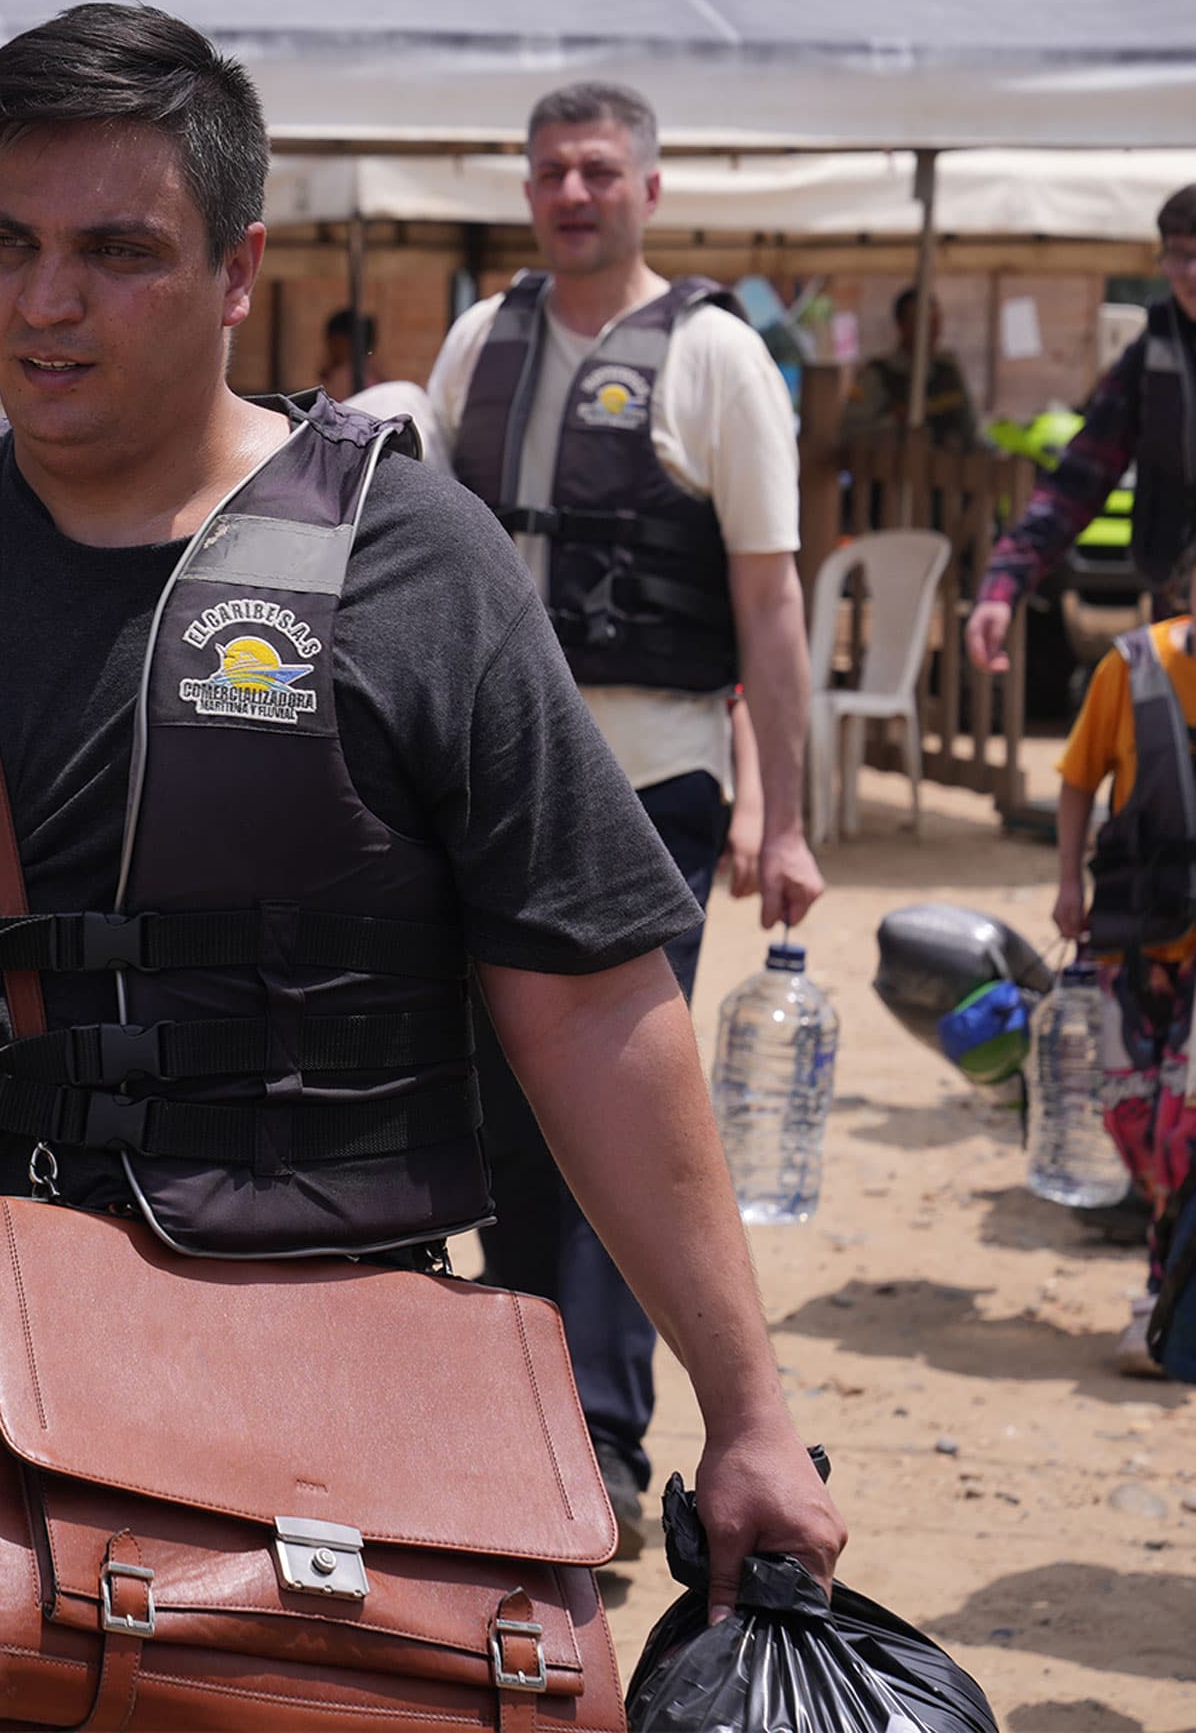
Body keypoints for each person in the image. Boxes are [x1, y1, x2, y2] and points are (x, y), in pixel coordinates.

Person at [0, 6, 842, 1730]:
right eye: (10, 246)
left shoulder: (412, 570)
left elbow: (597, 1003)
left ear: (238, 270)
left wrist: (745, 1404)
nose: (45, 301)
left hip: (305, 1493)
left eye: (117, 252)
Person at [419, 79, 826, 1558]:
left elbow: (770, 597)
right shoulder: (483, 340)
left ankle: (592, 1432)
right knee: (492, 1105)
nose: (572, 193)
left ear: (651, 186)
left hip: (648, 780)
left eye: (597, 170)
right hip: (479, 784)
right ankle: (512, 1397)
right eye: (548, 172)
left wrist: (784, 817)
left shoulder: (716, 357)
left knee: (608, 1108)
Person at [1050, 607, 1196, 1376]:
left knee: (1186, 1131)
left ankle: (1161, 1297)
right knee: (1133, 1120)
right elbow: (1078, 778)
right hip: (1136, 938)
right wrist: (1069, 879)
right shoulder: (1133, 666)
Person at [968, 185, 1196, 673]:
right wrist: (1004, 584)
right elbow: (1076, 482)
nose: (1192, 273)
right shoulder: (1152, 355)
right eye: (1179, 256)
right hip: (1179, 623)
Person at [842, 287, 983, 453]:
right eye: (925, 322)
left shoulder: (949, 370)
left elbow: (970, 429)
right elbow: (848, 432)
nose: (934, 330)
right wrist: (892, 420)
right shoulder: (876, 375)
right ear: (902, 325)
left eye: (936, 321)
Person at [320, 308, 447, 475]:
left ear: (343, 342)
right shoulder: (376, 370)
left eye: (334, 343)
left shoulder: (343, 377)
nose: (330, 349)